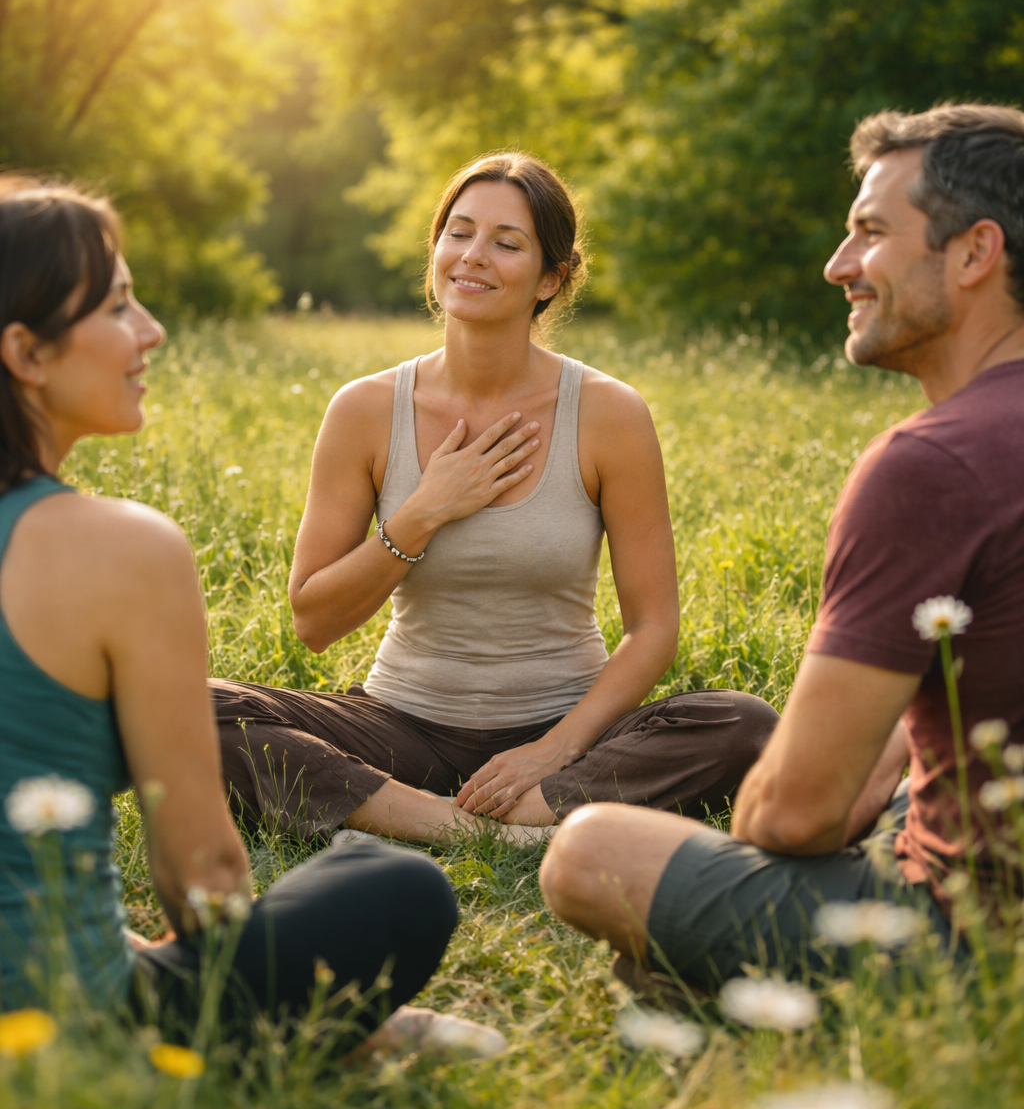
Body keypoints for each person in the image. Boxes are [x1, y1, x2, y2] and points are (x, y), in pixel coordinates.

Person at [0, 176, 494, 1057]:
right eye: (118, 306)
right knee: (395, 885)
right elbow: (204, 880)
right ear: (26, 355)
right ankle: (324, 1033)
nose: (151, 330)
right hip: (57, 1027)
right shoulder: (124, 551)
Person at [539, 104, 1024, 990]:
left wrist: (784, 815)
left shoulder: (933, 463)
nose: (838, 266)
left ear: (973, 252)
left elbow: (793, 818)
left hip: (984, 942)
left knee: (589, 849)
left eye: (871, 233)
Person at [212, 153, 778, 846]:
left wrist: (556, 750)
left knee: (743, 725)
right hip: (403, 726)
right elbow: (314, 620)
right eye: (459, 232)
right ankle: (473, 828)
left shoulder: (608, 414)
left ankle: (452, 810)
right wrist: (424, 511)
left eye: (506, 243)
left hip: (562, 726)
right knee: (192, 709)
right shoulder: (363, 410)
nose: (473, 257)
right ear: (435, 250)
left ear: (551, 277)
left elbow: (653, 628)